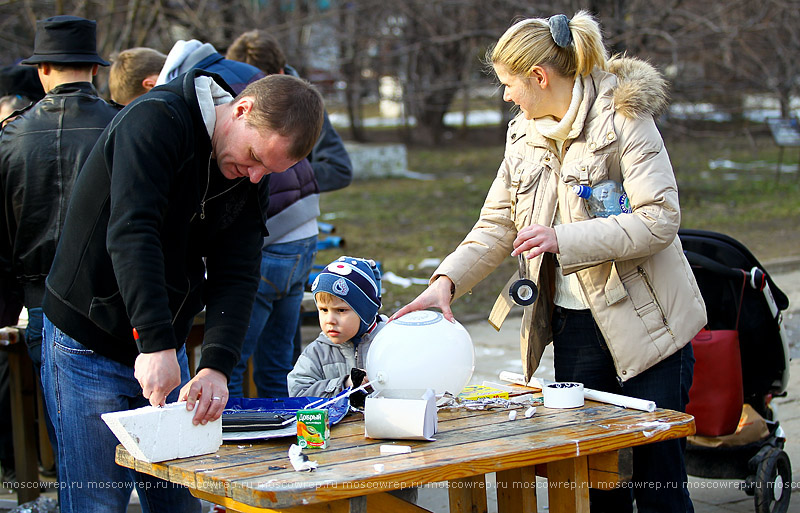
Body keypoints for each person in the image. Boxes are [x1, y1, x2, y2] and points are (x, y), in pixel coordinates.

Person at [392, 11, 706, 513]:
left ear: (539, 77)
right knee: (600, 480)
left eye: (508, 84)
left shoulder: (623, 116)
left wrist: (564, 237)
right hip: (576, 329)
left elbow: (660, 219)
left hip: (649, 329)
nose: (505, 96)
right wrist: (446, 281)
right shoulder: (522, 133)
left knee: (658, 482)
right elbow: (498, 224)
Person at [40, 65, 323, 513]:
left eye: (267, 171)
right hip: (90, 337)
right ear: (241, 110)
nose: (252, 177)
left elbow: (239, 268)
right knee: (98, 501)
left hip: (165, 346)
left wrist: (215, 365)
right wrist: (154, 343)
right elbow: (134, 234)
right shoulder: (156, 120)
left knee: (181, 498)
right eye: (253, 158)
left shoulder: (249, 169)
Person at [0, 17, 121, 485]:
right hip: (118, 300)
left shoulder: (10, 135)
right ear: (93, 68)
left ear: (43, 69)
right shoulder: (121, 124)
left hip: (42, 303)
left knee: (75, 448)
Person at [225, 30, 354, 398]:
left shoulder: (302, 103)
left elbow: (340, 168)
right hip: (298, 237)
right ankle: (281, 431)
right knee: (281, 362)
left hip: (277, 239)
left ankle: (241, 441)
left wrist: (291, 176)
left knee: (230, 362)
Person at [288, 256, 382, 399]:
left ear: (365, 312)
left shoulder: (388, 344)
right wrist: (344, 384)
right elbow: (298, 393)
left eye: (341, 310)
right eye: (324, 310)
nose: (330, 320)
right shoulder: (317, 352)